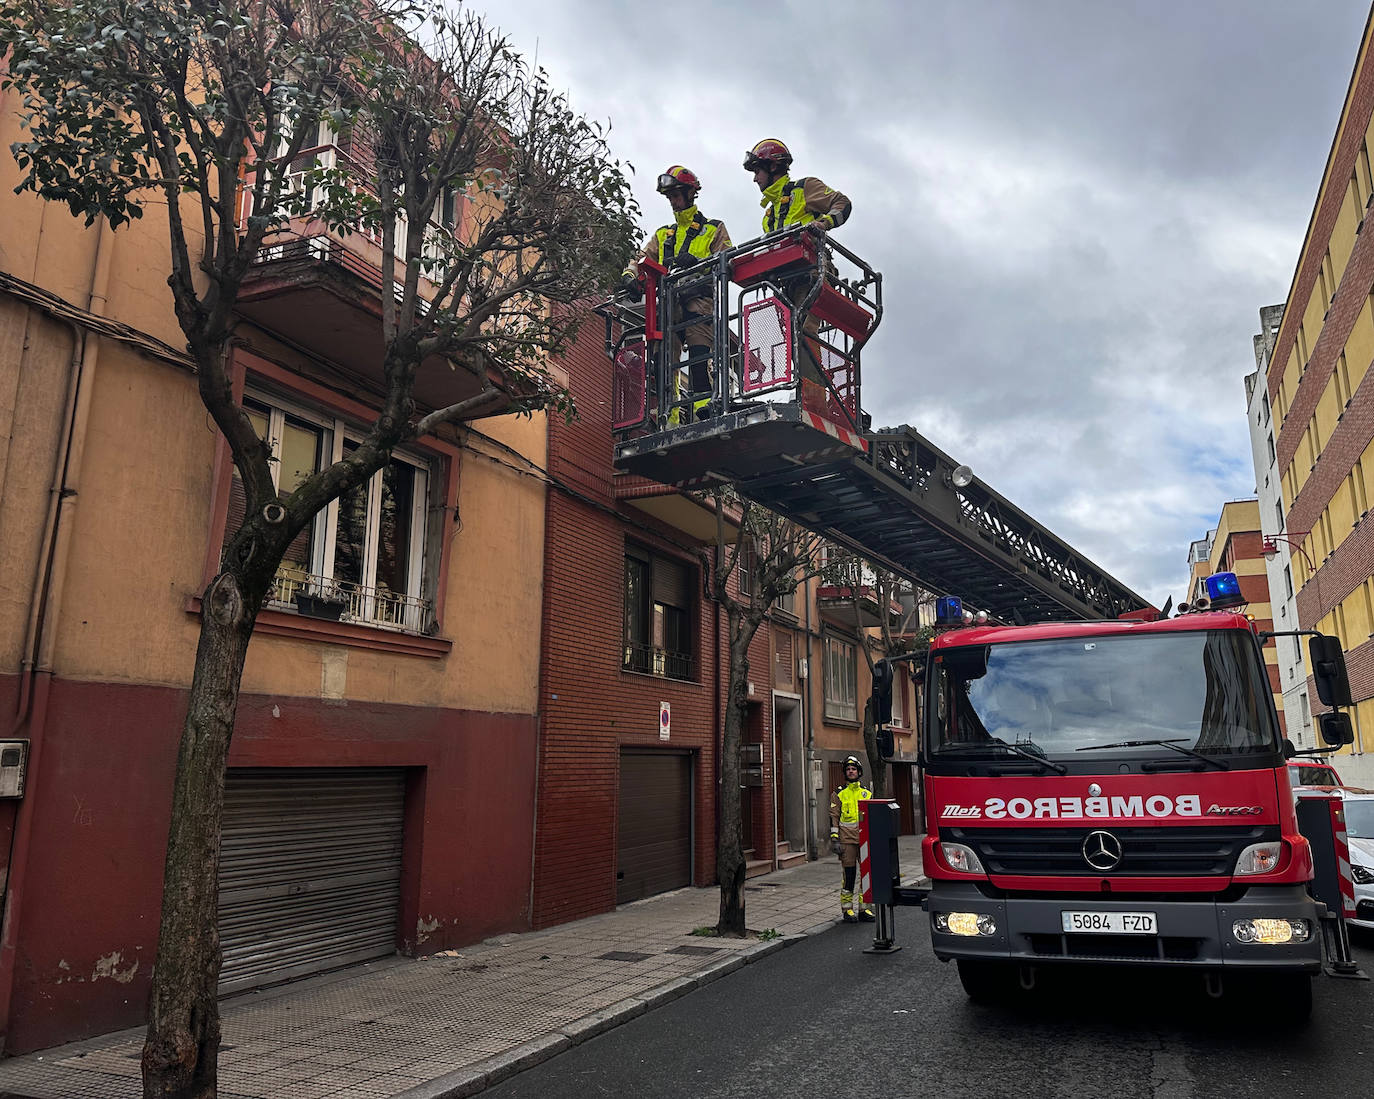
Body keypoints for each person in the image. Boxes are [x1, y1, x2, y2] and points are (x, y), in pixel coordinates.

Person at [742, 140, 851, 416]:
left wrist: (823, 223)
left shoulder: (805, 188)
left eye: (757, 171)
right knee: (792, 337)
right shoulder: (769, 214)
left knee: (804, 330)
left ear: (773, 165)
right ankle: (808, 393)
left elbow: (842, 204)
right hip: (787, 281)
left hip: (812, 272)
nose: (755, 178)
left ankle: (813, 400)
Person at [621, 166, 732, 423]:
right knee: (662, 359)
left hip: (699, 303)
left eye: (676, 194)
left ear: (690, 193)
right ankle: (667, 415)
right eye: (668, 196)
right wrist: (630, 275)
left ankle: (704, 410)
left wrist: (697, 261)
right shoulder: (663, 234)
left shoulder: (713, 229)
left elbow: (729, 261)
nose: (672, 201)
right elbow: (640, 259)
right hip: (670, 305)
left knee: (698, 356)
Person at [829, 754, 875, 923]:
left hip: (864, 840)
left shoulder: (867, 793)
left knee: (866, 876)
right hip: (847, 841)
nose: (850, 771)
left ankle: (865, 909)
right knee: (849, 875)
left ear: (859, 772)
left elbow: (872, 818)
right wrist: (835, 839)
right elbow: (834, 817)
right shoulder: (839, 794)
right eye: (848, 769)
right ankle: (847, 909)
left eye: (853, 769)